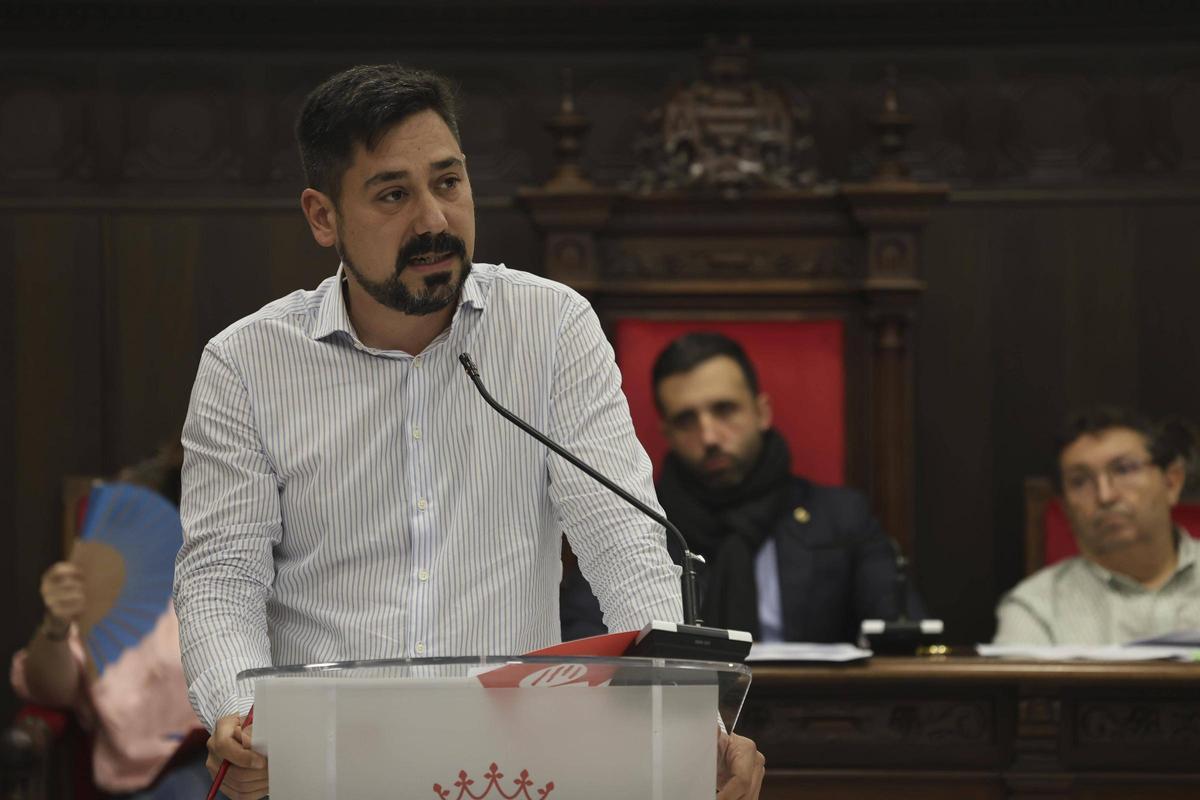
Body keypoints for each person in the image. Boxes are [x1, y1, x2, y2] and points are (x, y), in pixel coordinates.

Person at [172, 64, 765, 799]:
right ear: (323, 216)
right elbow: (222, 578)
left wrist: (689, 728)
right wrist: (238, 711)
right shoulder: (246, 365)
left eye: (448, 182)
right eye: (393, 194)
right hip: (322, 768)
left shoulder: (551, 329)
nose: (434, 221)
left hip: (508, 773)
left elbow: (625, 543)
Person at [562, 331, 923, 643]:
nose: (709, 436)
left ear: (761, 412)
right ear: (667, 434)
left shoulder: (841, 518)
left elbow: (901, 633)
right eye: (686, 420)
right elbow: (587, 642)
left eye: (724, 410)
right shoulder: (635, 526)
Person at [9, 442, 209, 799]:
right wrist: (56, 623)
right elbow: (49, 690)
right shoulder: (112, 585)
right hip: (166, 777)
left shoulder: (268, 582)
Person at [993, 407, 1199, 645]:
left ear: (1171, 482)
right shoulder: (1036, 607)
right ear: (1065, 506)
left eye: (1123, 469)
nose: (1105, 495)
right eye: (1080, 481)